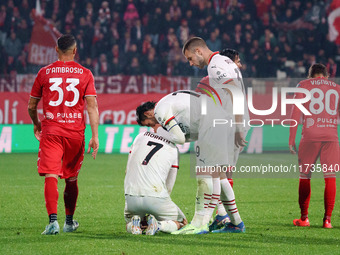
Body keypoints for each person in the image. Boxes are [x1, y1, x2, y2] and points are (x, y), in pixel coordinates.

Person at [136, 90, 245, 234]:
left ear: (148, 114)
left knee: (206, 177)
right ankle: (235, 223)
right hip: (222, 122)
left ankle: (201, 224)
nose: (152, 127)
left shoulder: (159, 112)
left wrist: (161, 133)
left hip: (213, 126)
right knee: (219, 176)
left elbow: (180, 139)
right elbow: (188, 135)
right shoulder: (169, 103)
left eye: (149, 124)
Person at [28, 34, 99, 235]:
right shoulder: (86, 73)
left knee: (51, 174)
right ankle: (69, 222)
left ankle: (53, 222)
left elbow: (31, 105)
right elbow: (92, 107)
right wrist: (95, 136)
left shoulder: (44, 73)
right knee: (71, 178)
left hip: (51, 131)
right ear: (75, 51)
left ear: (56, 49)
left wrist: (36, 124)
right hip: (75, 133)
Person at [183, 37, 248, 233]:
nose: (191, 63)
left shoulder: (215, 66)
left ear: (198, 51)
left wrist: (236, 127)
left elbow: (234, 92)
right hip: (232, 120)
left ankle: (212, 220)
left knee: (213, 171)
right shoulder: (226, 61)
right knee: (218, 172)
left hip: (230, 122)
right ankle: (226, 219)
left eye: (190, 58)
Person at [289, 63, 340, 229]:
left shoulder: (303, 85)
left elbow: (295, 113)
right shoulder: (336, 87)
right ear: (325, 76)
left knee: (305, 176)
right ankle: (327, 220)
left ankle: (304, 218)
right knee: (330, 177)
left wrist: (291, 140)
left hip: (310, 136)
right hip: (331, 137)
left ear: (310, 76)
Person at [124, 129, 187, 235]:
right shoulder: (173, 149)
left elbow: (127, 170)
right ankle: (158, 226)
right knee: (182, 222)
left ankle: (134, 225)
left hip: (131, 196)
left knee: (129, 222)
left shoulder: (141, 136)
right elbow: (169, 184)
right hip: (156, 197)